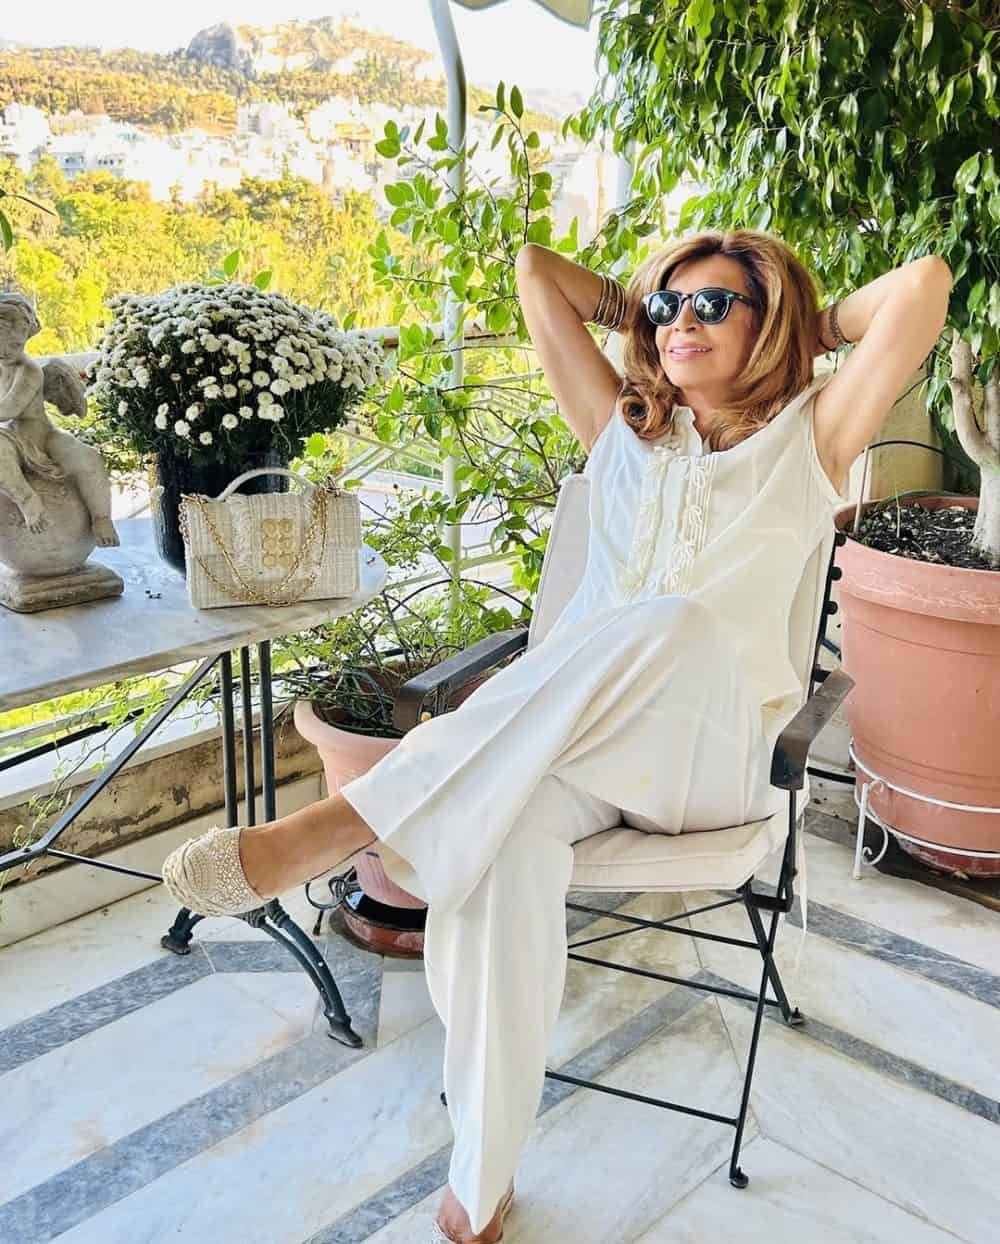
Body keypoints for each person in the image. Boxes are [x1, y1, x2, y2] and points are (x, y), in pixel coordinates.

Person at [161, 229, 952, 1242]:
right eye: (665, 309)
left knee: (676, 622)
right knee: (508, 846)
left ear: (768, 323)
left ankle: (348, 820)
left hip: (704, 764)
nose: (680, 324)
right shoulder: (620, 429)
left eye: (714, 304)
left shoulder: (812, 436)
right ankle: (483, 1175)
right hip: (578, 753)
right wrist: (648, 307)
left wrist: (806, 319)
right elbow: (537, 271)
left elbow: (923, 285)